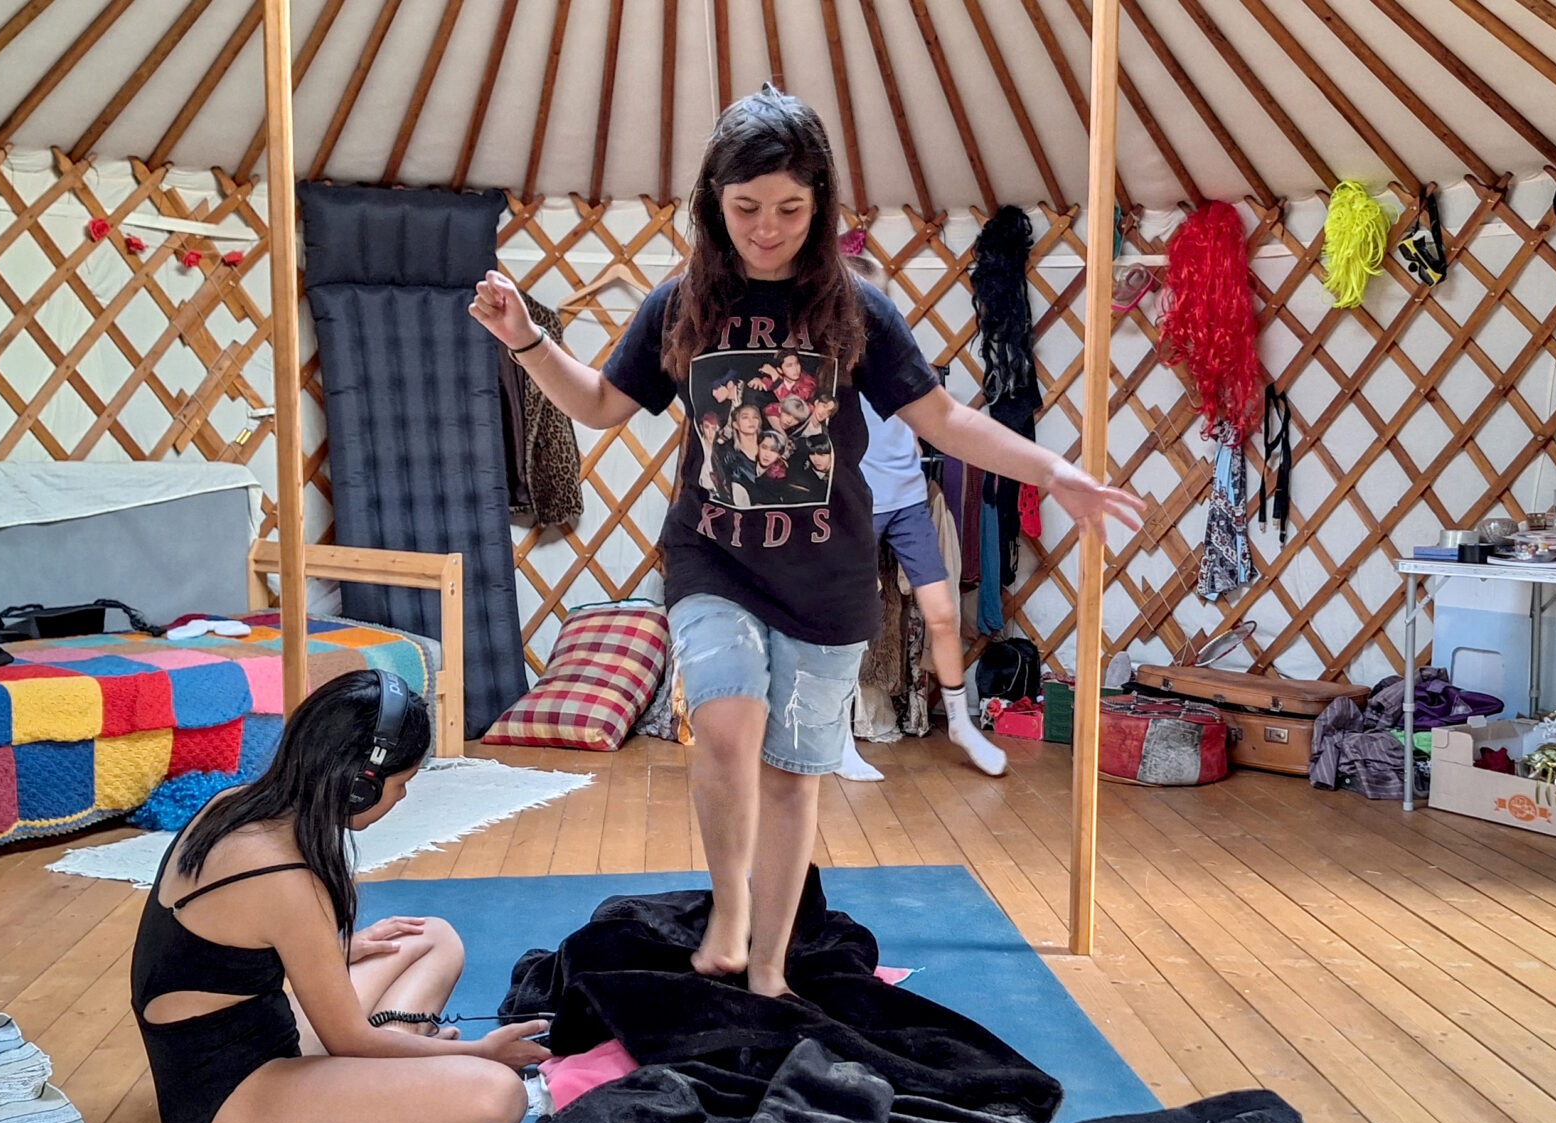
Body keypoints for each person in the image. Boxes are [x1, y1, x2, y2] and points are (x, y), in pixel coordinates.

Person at [469, 85, 1142, 998]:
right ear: (714, 201)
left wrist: (1053, 471)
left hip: (828, 577)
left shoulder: (857, 311)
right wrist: (525, 340)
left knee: (792, 776)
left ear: (821, 203)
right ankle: (729, 910)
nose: (767, 228)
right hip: (712, 558)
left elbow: (944, 420)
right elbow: (598, 404)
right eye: (747, 207)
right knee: (725, 725)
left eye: (790, 208)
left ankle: (770, 967)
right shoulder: (680, 305)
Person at [129, 669, 552, 1123]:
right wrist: (481, 1052)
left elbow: (217, 952)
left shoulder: (234, 805)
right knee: (498, 1094)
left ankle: (397, 1062)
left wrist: (331, 951)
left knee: (432, 937)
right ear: (359, 787)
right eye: (402, 783)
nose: (403, 797)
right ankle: (403, 1062)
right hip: (228, 1097)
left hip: (264, 1027)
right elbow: (349, 1039)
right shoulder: (285, 879)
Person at [836, 256, 1006, 781]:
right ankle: (836, 737)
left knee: (943, 613)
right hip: (856, 504)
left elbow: (940, 422)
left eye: (875, 301)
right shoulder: (827, 367)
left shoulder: (902, 361)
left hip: (909, 501)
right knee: (845, 625)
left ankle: (961, 724)